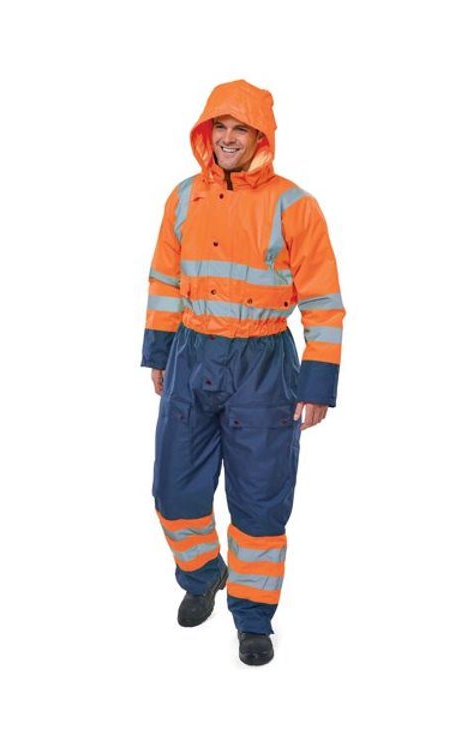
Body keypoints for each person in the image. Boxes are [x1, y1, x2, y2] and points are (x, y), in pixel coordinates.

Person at [141, 79, 345, 666]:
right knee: (174, 490)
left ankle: (253, 618)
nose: (229, 139)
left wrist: (317, 383)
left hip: (263, 366)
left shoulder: (294, 205)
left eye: (241, 129)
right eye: (220, 128)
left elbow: (324, 302)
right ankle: (203, 572)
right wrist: (159, 352)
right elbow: (163, 278)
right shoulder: (183, 197)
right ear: (206, 134)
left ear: (261, 138)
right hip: (191, 356)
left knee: (259, 499)